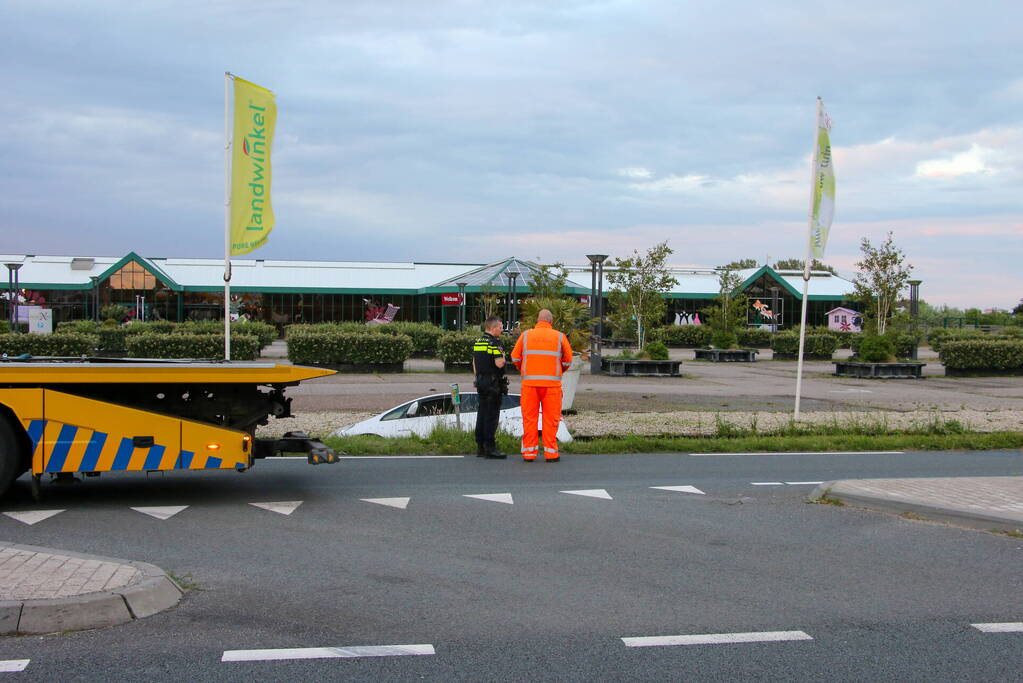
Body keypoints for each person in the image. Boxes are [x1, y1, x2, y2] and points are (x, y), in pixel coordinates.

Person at [510, 309, 573, 462]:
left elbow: (515, 358)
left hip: (530, 385)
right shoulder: (559, 336)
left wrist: (523, 370)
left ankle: (529, 454)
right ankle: (551, 454)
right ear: (551, 322)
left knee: (530, 419)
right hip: (552, 386)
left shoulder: (525, 335)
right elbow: (568, 360)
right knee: (551, 419)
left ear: (537, 321)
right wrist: (559, 370)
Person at [472, 316, 508, 459]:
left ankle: (480, 446)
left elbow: (474, 363)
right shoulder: (495, 343)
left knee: (481, 414)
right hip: (493, 383)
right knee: (491, 416)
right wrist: (504, 357)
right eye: (500, 327)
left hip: (481, 381)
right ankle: (490, 448)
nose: (502, 330)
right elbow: (499, 363)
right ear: (493, 328)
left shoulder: (478, 341)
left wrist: (479, 377)